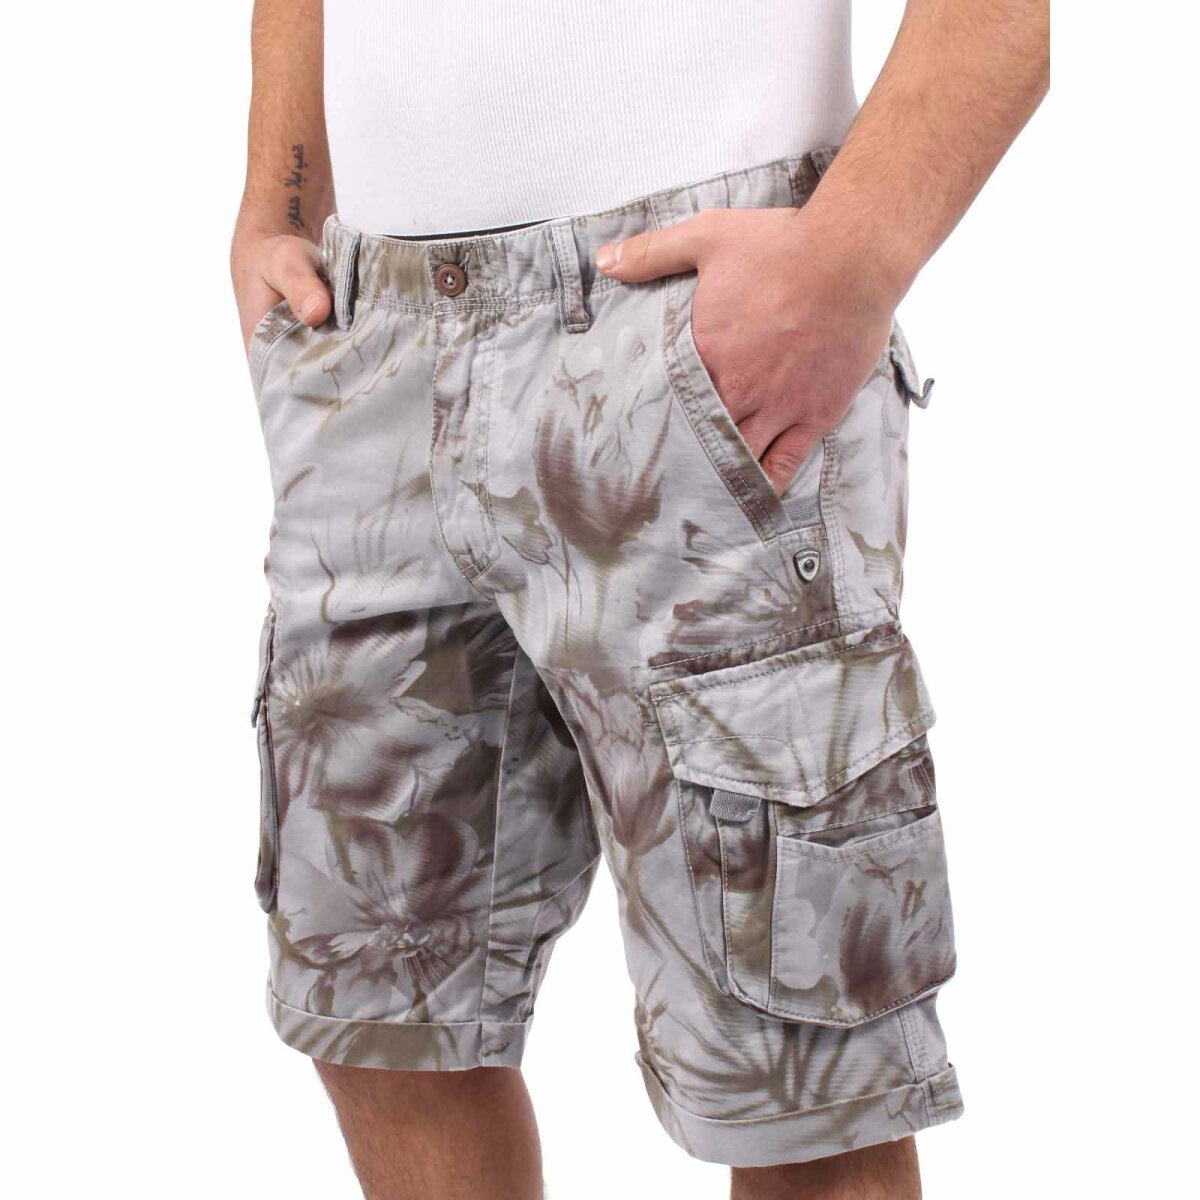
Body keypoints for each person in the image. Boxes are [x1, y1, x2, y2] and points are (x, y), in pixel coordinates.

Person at [231, 3, 1047, 1196]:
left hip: (687, 325)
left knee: (800, 1071)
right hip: (368, 338)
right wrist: (276, 202)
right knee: (372, 1002)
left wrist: (849, 256)